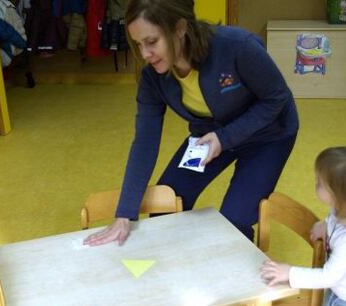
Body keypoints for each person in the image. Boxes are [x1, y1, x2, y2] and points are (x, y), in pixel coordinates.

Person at [83, 0, 298, 246]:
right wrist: (124, 214)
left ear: (180, 28)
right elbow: (145, 142)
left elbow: (276, 98)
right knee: (166, 203)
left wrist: (225, 138)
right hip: (211, 132)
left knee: (234, 221)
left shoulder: (237, 46)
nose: (144, 54)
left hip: (268, 133)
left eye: (151, 42)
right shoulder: (152, 77)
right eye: (138, 44)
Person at [260, 146, 346, 306]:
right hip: (341, 289)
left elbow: (328, 277)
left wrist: (289, 273)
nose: (315, 182)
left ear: (341, 198)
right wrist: (325, 225)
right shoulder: (344, 209)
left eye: (320, 183)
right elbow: (333, 218)